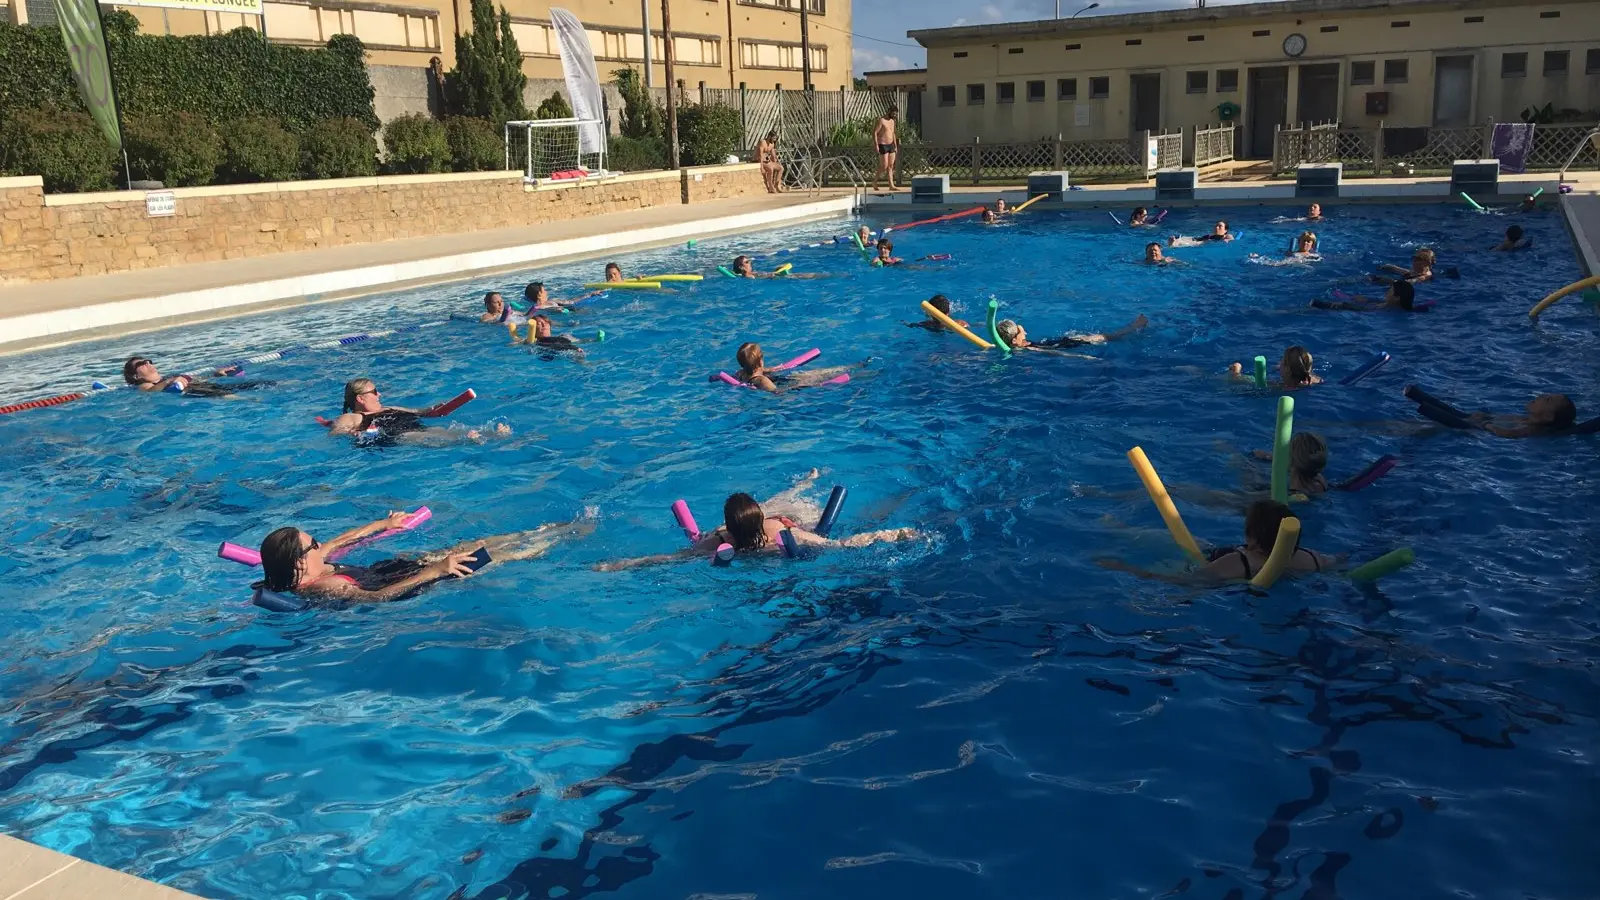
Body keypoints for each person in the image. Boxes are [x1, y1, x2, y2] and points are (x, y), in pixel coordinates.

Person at [596, 471, 920, 570]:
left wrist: (619, 565)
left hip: (793, 522)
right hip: (773, 525)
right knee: (778, 501)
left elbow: (668, 560)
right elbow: (842, 546)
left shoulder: (727, 539)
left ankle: (806, 482)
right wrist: (895, 535)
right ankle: (807, 480)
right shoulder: (746, 535)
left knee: (794, 502)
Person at [256, 513, 593, 606]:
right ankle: (561, 539)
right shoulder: (326, 585)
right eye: (312, 544)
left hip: (389, 569)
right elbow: (378, 598)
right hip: (406, 584)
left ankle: (543, 530)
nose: (320, 545)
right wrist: (435, 571)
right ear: (298, 562)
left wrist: (382, 524)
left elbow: (342, 540)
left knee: (471, 543)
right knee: (495, 557)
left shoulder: (311, 562)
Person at [1099, 500, 1339, 584]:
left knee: (1176, 542)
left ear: (1252, 538)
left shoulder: (1238, 561)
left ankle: (1121, 529)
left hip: (1211, 558)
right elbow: (1340, 562)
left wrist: (1128, 570)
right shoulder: (1311, 558)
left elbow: (1185, 581)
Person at [325, 377, 510, 443]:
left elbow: (420, 412)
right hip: (397, 436)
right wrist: (353, 433)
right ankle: (470, 441)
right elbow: (335, 433)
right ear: (360, 398)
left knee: (442, 431)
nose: (379, 394)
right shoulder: (352, 417)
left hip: (417, 427)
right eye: (374, 391)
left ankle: (492, 434)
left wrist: (436, 408)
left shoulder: (390, 407)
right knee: (426, 437)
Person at [728, 342, 858, 392]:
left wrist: (770, 369)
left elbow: (757, 370)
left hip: (776, 377)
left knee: (813, 375)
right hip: (785, 384)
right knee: (814, 376)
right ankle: (853, 369)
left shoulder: (742, 373)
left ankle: (848, 369)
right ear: (760, 361)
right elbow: (777, 392)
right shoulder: (762, 380)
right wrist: (796, 387)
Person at [996, 314, 1148, 354]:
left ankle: (1133, 327)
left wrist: (1019, 331)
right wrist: (1081, 357)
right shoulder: (1028, 348)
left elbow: (1021, 331)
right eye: (1020, 332)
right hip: (1065, 345)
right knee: (1106, 336)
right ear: (1015, 340)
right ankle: (1135, 327)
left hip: (1059, 341)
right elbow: (1056, 354)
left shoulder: (1015, 344)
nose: (1024, 331)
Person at [121, 355, 264, 396]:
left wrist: (216, 375)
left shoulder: (168, 377)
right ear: (136, 376)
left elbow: (198, 379)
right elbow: (150, 391)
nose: (147, 363)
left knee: (259, 384)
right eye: (141, 364)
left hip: (206, 386)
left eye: (148, 361)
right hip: (196, 392)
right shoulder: (145, 385)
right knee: (230, 395)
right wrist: (168, 382)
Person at [1465, 393, 1579, 437]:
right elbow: (1508, 418)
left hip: (1482, 432)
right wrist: (1488, 416)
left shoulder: (1533, 430)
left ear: (1548, 417)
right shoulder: (1526, 419)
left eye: (1548, 399)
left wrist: (1486, 425)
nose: (1541, 396)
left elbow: (1508, 433)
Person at [1229, 346, 1323, 389]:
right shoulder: (1314, 380)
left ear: (1287, 369)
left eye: (1282, 361)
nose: (1279, 362)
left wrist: (1236, 372)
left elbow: (1250, 380)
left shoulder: (1282, 387)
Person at [1316, 280, 1417, 312]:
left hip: (1366, 312)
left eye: (1390, 291)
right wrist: (1366, 299)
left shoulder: (1389, 309)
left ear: (1396, 297)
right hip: (1368, 307)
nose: (1386, 292)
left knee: (1344, 305)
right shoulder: (1388, 303)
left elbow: (1367, 311)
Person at [521, 314, 585, 357]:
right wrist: (574, 348)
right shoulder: (533, 342)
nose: (544, 325)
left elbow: (583, 341)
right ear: (533, 328)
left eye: (546, 323)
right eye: (539, 324)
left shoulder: (563, 337)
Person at [873, 106, 899, 192]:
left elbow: (893, 132)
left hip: (891, 144)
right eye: (893, 114)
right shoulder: (882, 121)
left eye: (895, 114)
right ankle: (875, 182)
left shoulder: (892, 121)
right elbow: (875, 132)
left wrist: (895, 144)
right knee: (884, 166)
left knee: (891, 166)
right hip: (883, 144)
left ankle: (891, 185)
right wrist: (876, 145)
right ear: (889, 111)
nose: (894, 115)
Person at [1169, 221, 1233, 247]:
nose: (1216, 227)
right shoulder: (1210, 236)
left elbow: (1231, 239)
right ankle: (1175, 241)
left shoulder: (1227, 236)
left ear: (1225, 230)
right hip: (1205, 238)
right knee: (1185, 238)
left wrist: (1228, 240)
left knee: (1194, 243)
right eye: (1216, 225)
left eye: (1220, 226)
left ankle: (1174, 244)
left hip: (1205, 242)